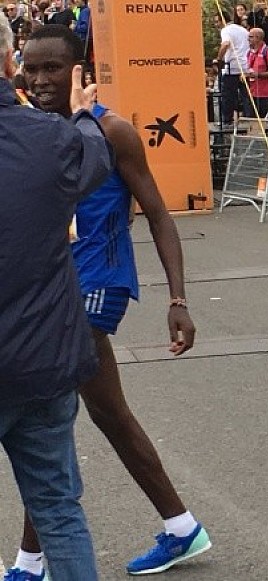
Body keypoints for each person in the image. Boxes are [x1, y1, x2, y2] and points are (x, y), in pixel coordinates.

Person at [16, 24, 206, 577]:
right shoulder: (32, 130)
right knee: (105, 414)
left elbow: (159, 213)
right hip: (54, 287)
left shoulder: (112, 130)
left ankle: (31, 562)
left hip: (97, 283)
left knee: (46, 413)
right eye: (31, 68)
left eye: (53, 68)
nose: (40, 79)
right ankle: (182, 527)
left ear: (79, 71)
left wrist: (177, 297)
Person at [0, 12, 112, 581]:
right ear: (9, 62)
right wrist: (82, 113)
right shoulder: (51, 139)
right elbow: (94, 157)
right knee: (59, 511)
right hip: (42, 360)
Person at [214, 9, 249, 125]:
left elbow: (225, 44)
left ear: (223, 20)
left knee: (227, 95)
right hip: (246, 67)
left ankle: (227, 120)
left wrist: (219, 59)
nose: (216, 25)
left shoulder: (226, 30)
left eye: (217, 22)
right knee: (246, 96)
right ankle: (249, 119)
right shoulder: (242, 29)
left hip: (232, 67)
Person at [244, 26, 268, 121]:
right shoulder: (249, 53)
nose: (248, 39)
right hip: (254, 92)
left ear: (258, 38)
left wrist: (258, 75)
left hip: (267, 94)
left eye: (251, 37)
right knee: (254, 119)